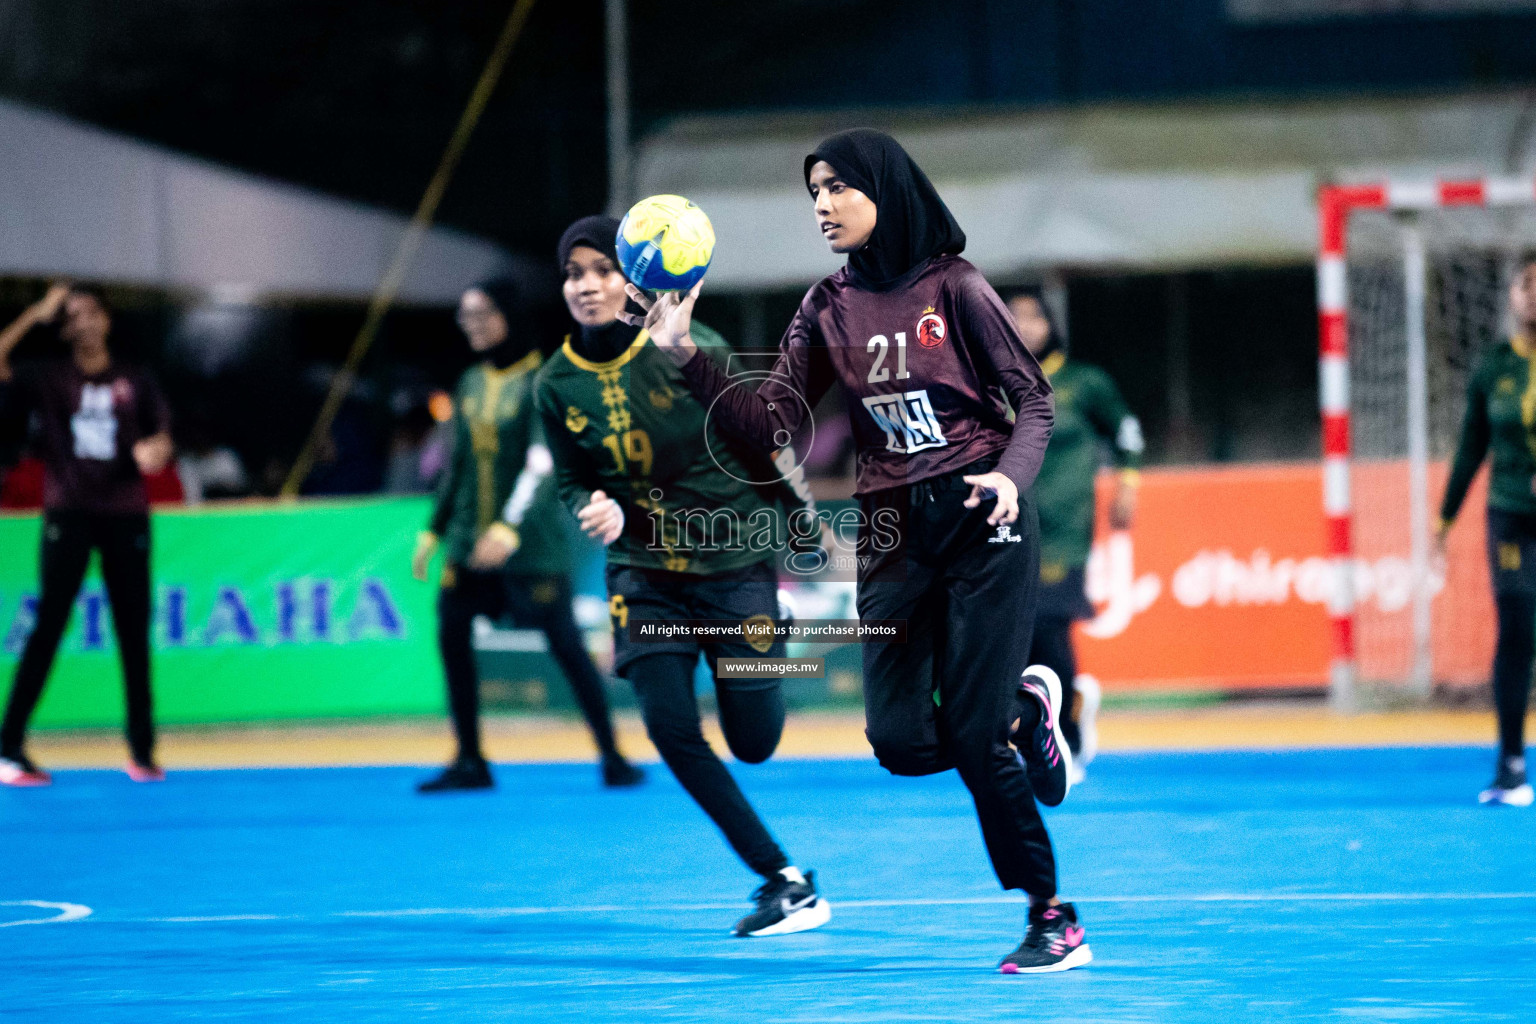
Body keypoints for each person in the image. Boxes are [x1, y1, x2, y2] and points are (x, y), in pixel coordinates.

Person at [631, 129, 1088, 973]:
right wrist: (687, 356)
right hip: (891, 533)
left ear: (886, 190)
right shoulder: (824, 306)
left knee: (978, 742)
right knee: (901, 741)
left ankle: (1050, 913)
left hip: (983, 517)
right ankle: (1025, 711)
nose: (821, 205)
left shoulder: (958, 288)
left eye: (837, 187)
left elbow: (1034, 403)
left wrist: (1012, 481)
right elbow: (772, 427)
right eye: (813, 191)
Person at [535, 216, 830, 938]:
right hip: (644, 575)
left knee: (754, 742)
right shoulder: (555, 384)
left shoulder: (690, 349)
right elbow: (572, 477)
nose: (587, 285)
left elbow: (762, 439)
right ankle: (782, 878)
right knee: (670, 727)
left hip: (733, 562)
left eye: (602, 269)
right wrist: (589, 504)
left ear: (632, 280)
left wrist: (804, 522)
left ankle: (772, 639)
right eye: (574, 273)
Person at [412, 279, 643, 793]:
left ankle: (612, 754)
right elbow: (458, 464)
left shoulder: (544, 379)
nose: (472, 326)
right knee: (451, 634)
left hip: (530, 546)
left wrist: (509, 527)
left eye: (482, 315)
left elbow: (543, 463)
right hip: (470, 545)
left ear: (508, 317)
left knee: (565, 646)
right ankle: (470, 758)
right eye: (465, 317)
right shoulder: (470, 382)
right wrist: (434, 530)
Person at [0, 283, 174, 786]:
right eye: (72, 316)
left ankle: (142, 751)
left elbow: (161, 434)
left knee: (133, 630)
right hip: (69, 514)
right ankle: (8, 747)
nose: (84, 322)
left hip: (125, 515)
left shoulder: (135, 379)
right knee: (49, 625)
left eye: (92, 312)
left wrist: (155, 453)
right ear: (65, 328)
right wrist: (36, 312)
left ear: (107, 320)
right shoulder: (48, 378)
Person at [1007, 289, 1142, 783]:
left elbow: (1127, 430)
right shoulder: (991, 382)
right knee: (1013, 640)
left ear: (1051, 324)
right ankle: (1054, 723)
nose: (1024, 327)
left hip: (1063, 531)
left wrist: (1129, 482)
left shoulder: (1084, 383)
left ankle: (1064, 736)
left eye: (1033, 317)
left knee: (1046, 627)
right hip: (1004, 528)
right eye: (1013, 317)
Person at [1437, 255, 1536, 808]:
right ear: (1515, 299)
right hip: (1510, 515)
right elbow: (1471, 447)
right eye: (1528, 284)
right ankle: (1511, 766)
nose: (1535, 295)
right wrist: (1442, 522)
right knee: (1517, 627)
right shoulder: (1493, 366)